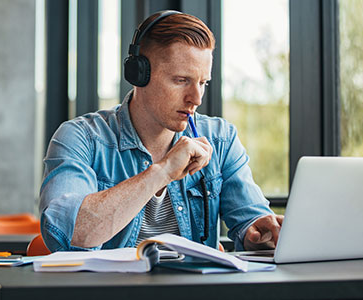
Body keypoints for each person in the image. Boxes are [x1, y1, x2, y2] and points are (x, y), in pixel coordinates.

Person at [39, 11, 283, 253]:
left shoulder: (221, 139)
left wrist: (259, 232)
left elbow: (251, 221)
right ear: (139, 75)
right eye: (181, 80)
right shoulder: (81, 138)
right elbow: (70, 233)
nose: (196, 98)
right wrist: (163, 171)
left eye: (202, 83)